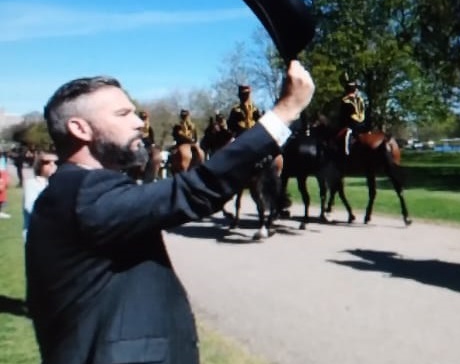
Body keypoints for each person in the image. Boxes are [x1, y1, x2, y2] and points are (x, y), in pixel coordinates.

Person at [25, 61, 314, 364]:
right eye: (123, 114)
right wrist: (285, 111)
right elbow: (194, 189)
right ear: (80, 128)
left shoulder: (74, 191)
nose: (138, 122)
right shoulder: (85, 194)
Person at [22, 152, 58, 240]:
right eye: (47, 162)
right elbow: (30, 207)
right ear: (39, 165)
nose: (52, 165)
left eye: (55, 162)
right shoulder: (31, 184)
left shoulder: (58, 183)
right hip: (36, 235)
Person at [338, 73, 367, 155]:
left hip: (353, 123)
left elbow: (345, 115)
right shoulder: (357, 99)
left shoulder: (347, 100)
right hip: (361, 123)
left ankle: (346, 152)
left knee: (346, 133)